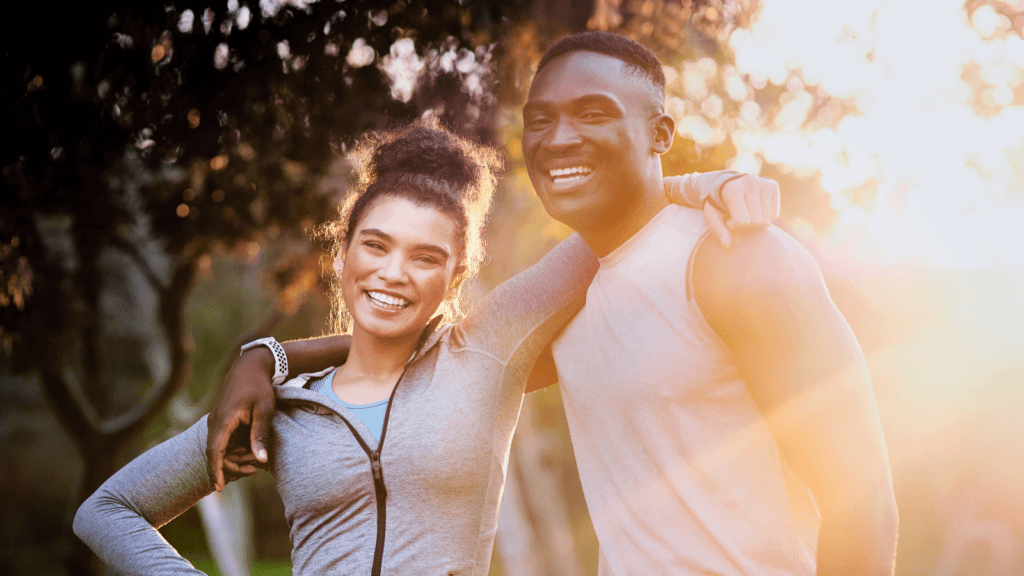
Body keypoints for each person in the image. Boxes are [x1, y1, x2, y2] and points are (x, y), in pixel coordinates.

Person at [210, 31, 898, 576]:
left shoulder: (732, 257)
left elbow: (861, 499)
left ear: (660, 133)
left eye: (592, 114)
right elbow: (434, 351)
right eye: (540, 120)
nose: (559, 138)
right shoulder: (570, 293)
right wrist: (263, 357)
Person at [74, 119, 776, 575]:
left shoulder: (487, 352)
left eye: (423, 257)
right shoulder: (277, 409)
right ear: (343, 255)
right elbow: (106, 512)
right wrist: (267, 360)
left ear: (455, 276)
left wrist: (705, 183)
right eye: (374, 246)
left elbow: (613, 224)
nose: (392, 273)